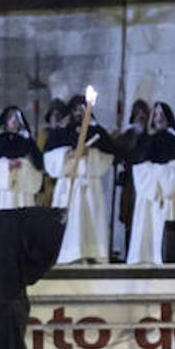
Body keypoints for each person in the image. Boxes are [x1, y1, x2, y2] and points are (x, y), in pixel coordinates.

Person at [45, 94, 119, 264]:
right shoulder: (61, 131)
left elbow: (108, 156)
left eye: (82, 108)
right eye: (76, 109)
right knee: (70, 223)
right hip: (68, 183)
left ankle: (91, 254)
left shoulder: (96, 131)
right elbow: (49, 159)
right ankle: (67, 256)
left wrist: (90, 154)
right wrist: (66, 155)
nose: (79, 112)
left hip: (89, 184)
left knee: (90, 221)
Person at [126, 102, 175, 265]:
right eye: (155, 114)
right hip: (149, 191)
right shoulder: (146, 138)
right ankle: (146, 257)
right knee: (147, 227)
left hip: (172, 188)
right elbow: (139, 164)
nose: (159, 117)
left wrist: (163, 176)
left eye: (162, 114)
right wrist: (157, 174)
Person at [0, 106, 45, 210]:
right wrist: (6, 166)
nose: (13, 120)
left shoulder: (27, 142)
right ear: (4, 120)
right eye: (10, 117)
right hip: (1, 194)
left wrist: (23, 165)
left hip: (21, 192)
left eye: (17, 118)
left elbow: (38, 167)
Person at [113, 100, 150, 260]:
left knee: (142, 219)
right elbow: (116, 156)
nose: (140, 117)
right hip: (129, 183)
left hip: (146, 183)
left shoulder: (150, 137)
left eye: (143, 114)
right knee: (129, 219)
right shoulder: (126, 136)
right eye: (138, 113)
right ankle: (128, 253)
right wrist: (113, 142)